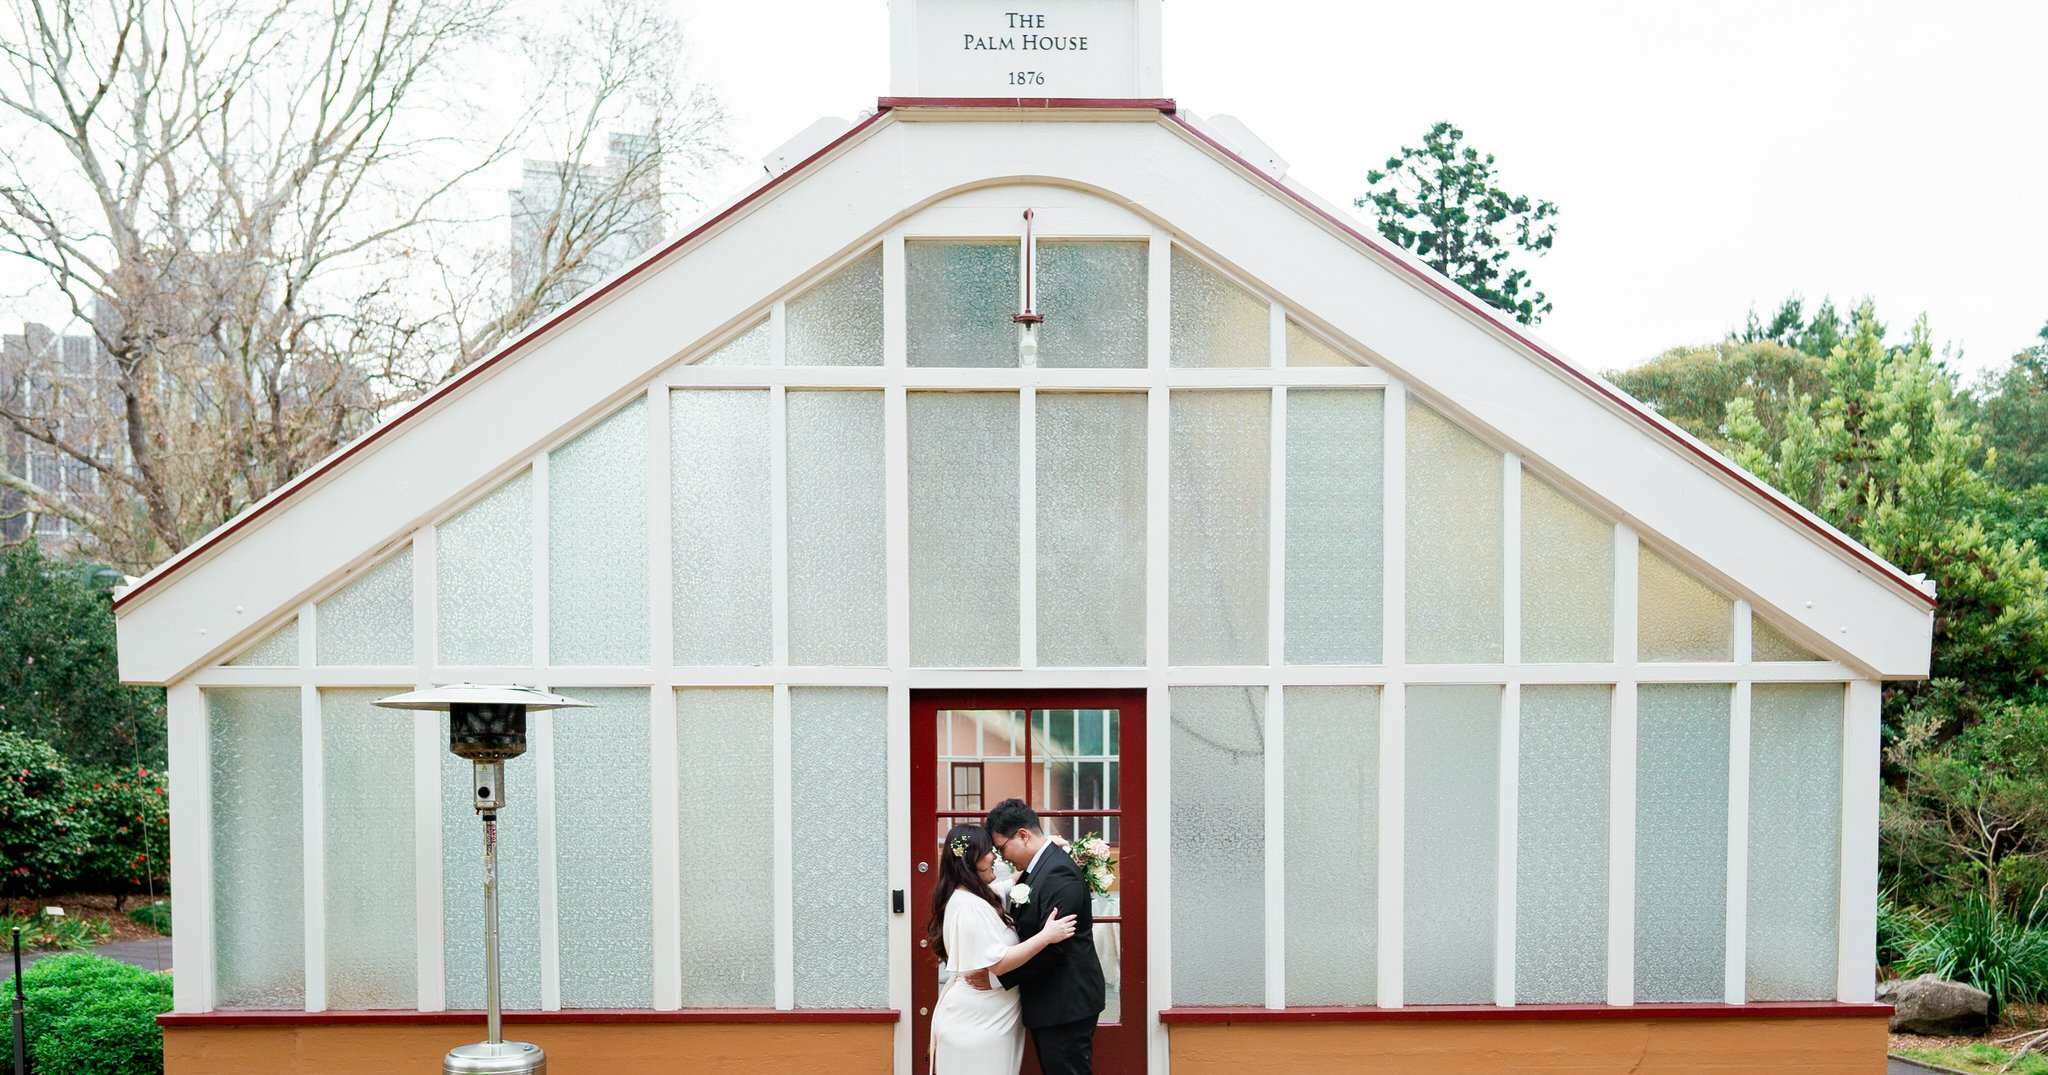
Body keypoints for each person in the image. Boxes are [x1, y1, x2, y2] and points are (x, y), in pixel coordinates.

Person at [927, 822, 1078, 1072]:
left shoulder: (976, 895)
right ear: (972, 859)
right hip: (977, 1022)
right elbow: (998, 963)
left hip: (989, 1015)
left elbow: (1015, 881)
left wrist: (1044, 845)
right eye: (989, 851)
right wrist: (1046, 936)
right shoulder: (970, 906)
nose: (995, 856)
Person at [972, 798, 1107, 1075]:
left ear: (1023, 835)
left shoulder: (1058, 872)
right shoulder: (1040, 866)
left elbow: (1055, 946)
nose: (1002, 857)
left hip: (1065, 1002)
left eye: (1002, 848)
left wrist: (998, 977)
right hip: (1052, 1001)